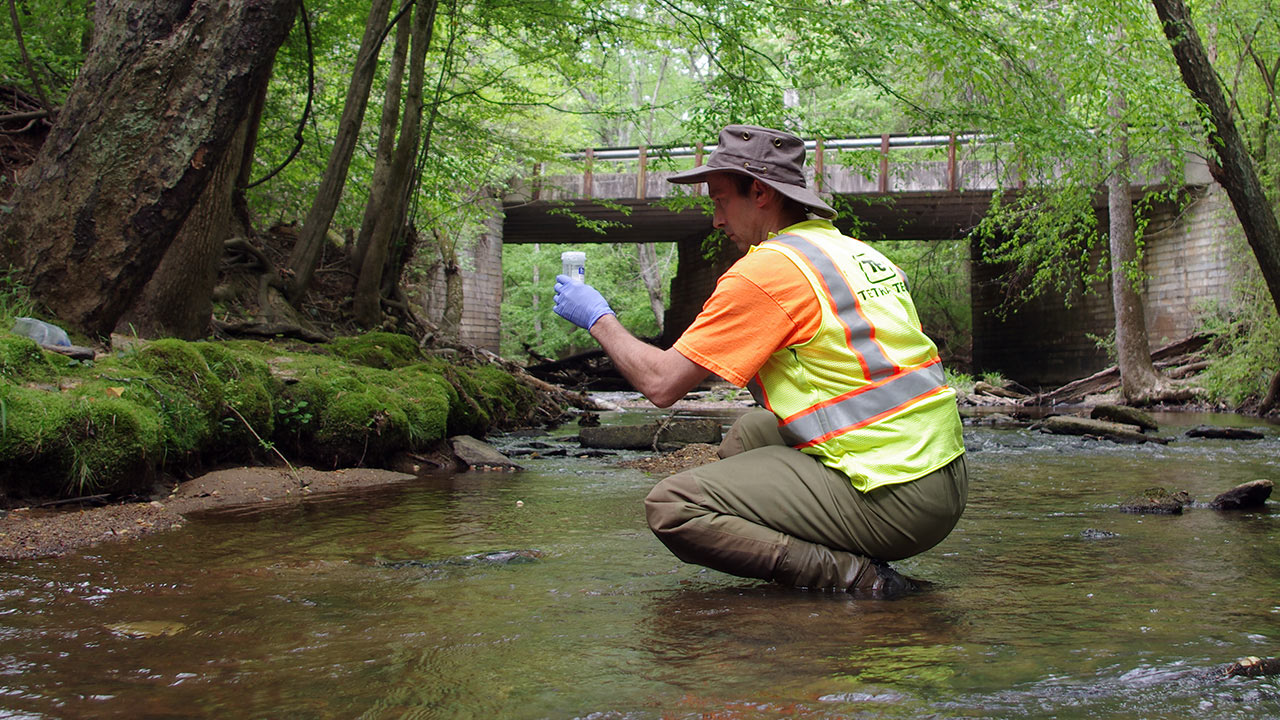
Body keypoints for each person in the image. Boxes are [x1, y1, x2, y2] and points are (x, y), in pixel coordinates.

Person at [551, 124, 967, 594]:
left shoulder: (766, 272)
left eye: (720, 200)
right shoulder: (858, 254)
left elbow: (661, 384)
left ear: (761, 191)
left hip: (896, 496)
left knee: (673, 506)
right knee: (750, 431)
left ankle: (861, 579)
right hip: (944, 475)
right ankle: (819, 543)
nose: (715, 220)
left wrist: (597, 317)